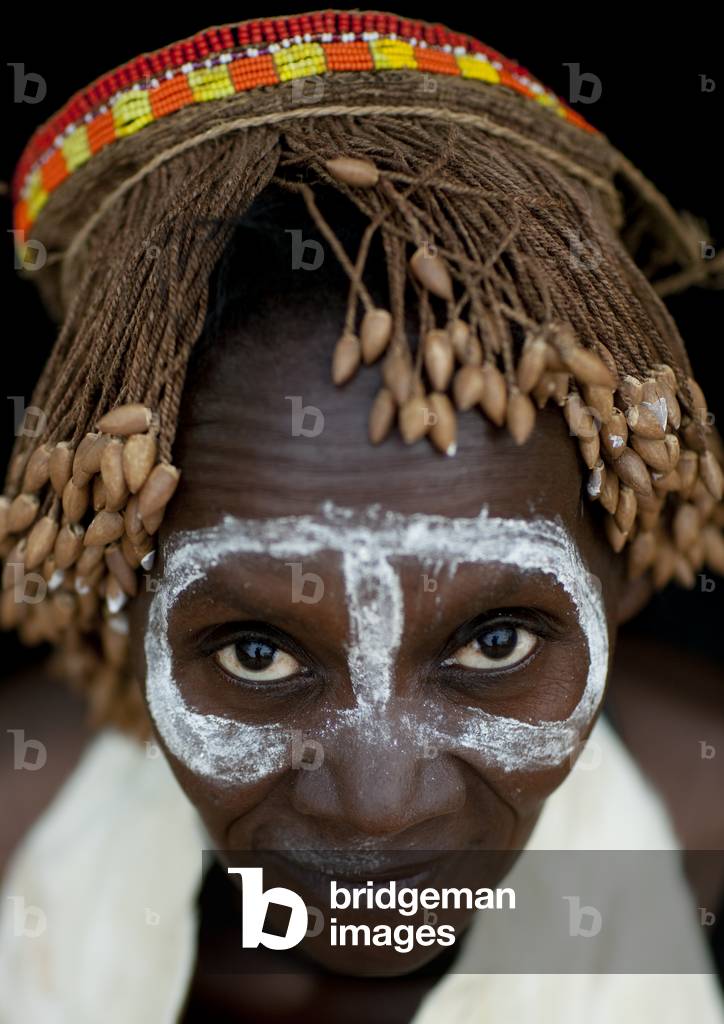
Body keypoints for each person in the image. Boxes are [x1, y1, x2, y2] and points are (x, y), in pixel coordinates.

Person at [1, 10, 723, 1021]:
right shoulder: (19, 829)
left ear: (626, 571)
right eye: (256, 653)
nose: (377, 809)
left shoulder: (704, 828)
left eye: (497, 639)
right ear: (120, 595)